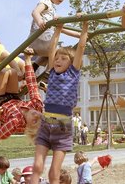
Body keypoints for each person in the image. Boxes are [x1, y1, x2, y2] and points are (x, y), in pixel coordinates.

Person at [30, 20, 89, 184]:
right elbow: (51, 48)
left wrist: (85, 25)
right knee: (37, 166)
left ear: (71, 63)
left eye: (63, 58)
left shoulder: (73, 72)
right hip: (45, 123)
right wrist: (58, 29)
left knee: (54, 172)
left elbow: (81, 47)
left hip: (62, 125)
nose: (58, 60)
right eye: (57, 58)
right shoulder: (53, 73)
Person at [29, 0, 80, 71]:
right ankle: (49, 73)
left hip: (38, 44)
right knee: (59, 54)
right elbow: (35, 12)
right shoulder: (46, 1)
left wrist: (78, 35)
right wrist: (40, 21)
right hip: (40, 40)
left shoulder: (52, 10)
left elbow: (61, 29)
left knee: (49, 53)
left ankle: (35, 66)